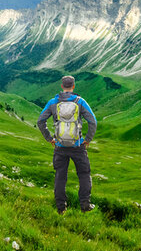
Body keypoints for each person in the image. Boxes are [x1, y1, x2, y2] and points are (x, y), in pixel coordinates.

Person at [37, 75, 97, 214]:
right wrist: (87, 139)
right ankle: (85, 205)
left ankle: (61, 208)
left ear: (62, 86)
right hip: (78, 146)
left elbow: (41, 121)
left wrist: (49, 138)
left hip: (59, 146)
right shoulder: (80, 102)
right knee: (83, 174)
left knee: (60, 176)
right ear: (73, 86)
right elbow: (93, 121)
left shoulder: (53, 102)